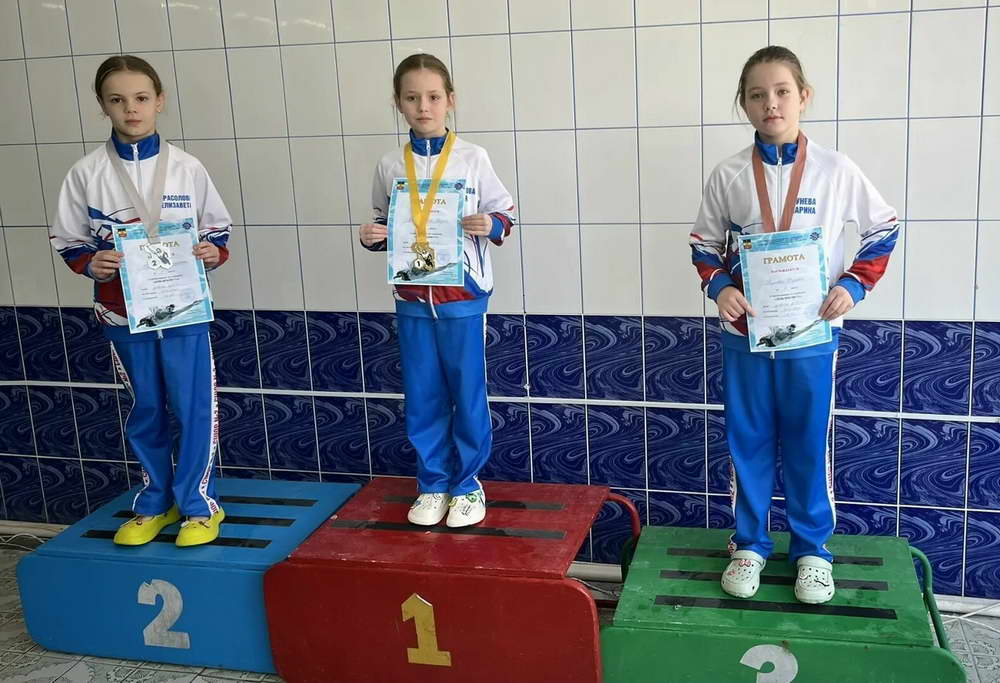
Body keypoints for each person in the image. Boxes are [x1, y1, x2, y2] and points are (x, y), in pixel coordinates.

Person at [690, 46, 899, 603]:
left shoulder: (836, 169)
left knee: (808, 443)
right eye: (757, 95)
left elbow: (884, 228)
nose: (771, 104)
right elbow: (703, 243)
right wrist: (721, 288)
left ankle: (812, 552)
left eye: (782, 91)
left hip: (812, 336)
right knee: (748, 442)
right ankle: (749, 545)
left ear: (803, 97)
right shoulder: (730, 173)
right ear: (744, 104)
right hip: (746, 337)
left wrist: (853, 285)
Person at [49, 55, 232, 547]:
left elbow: (217, 229)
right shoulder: (87, 172)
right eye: (117, 100)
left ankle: (199, 504)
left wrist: (212, 251)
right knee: (147, 407)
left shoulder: (187, 168)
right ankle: (155, 500)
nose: (131, 109)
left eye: (141, 98)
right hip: (122, 312)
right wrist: (91, 262)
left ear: (159, 102)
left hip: (184, 309)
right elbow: (68, 239)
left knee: (194, 407)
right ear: (102, 106)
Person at [359, 53, 516, 528]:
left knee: (467, 393)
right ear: (398, 103)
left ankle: (467, 485)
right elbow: (384, 221)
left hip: (463, 297)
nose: (423, 107)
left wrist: (491, 223)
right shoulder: (390, 164)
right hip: (412, 298)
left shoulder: (473, 157)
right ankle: (432, 484)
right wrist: (371, 235)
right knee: (423, 394)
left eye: (432, 97)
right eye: (412, 98)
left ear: (450, 100)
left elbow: (506, 214)